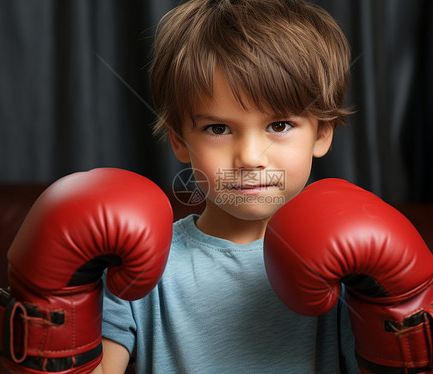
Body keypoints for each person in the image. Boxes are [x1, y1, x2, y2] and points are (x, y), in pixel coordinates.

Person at [96, 0, 358, 373]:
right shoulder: (141, 268)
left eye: (279, 125)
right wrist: (55, 303)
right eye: (218, 129)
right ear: (179, 140)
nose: (250, 157)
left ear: (323, 133)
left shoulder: (347, 269)